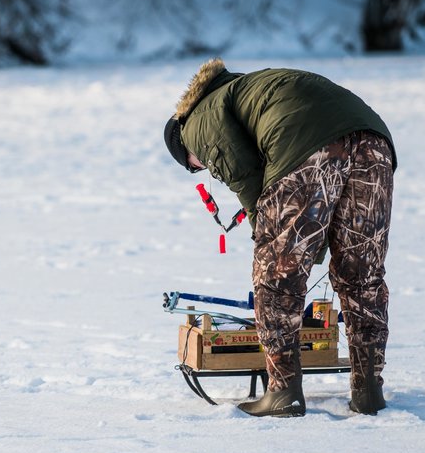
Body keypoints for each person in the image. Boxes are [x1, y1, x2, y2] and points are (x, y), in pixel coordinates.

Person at [163, 58, 397, 417]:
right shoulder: (248, 89)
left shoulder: (195, 121)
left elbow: (242, 173)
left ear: (184, 143)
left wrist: (267, 232)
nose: (204, 168)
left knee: (276, 274)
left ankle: (283, 392)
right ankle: (368, 392)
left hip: (306, 142)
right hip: (374, 141)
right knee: (362, 275)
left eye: (195, 165)